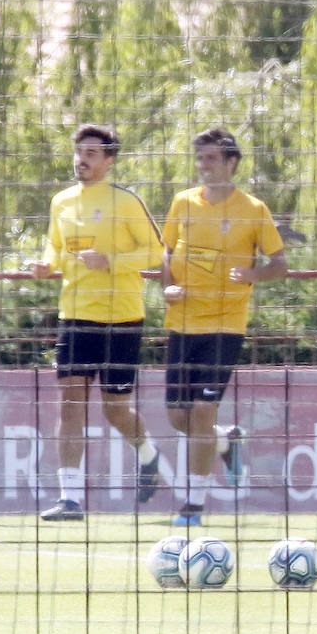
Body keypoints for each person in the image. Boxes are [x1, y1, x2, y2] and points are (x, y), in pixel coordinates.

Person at [30, 125, 164, 522]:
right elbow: (54, 247)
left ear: (109, 160)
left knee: (115, 409)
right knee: (70, 405)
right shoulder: (62, 201)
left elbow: (156, 252)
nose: (81, 160)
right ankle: (69, 498)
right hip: (74, 316)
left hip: (121, 316)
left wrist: (111, 261)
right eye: (78, 152)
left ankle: (148, 452)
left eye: (91, 153)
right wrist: (45, 265)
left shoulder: (124, 201)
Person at [160, 127, 288, 527]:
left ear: (231, 162)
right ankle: (226, 439)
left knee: (200, 413)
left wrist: (251, 272)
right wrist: (169, 286)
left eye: (211, 158)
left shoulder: (253, 209)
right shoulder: (182, 203)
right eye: (199, 158)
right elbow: (166, 253)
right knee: (177, 418)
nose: (203, 166)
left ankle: (193, 506)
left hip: (225, 326)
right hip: (181, 324)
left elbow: (280, 264)